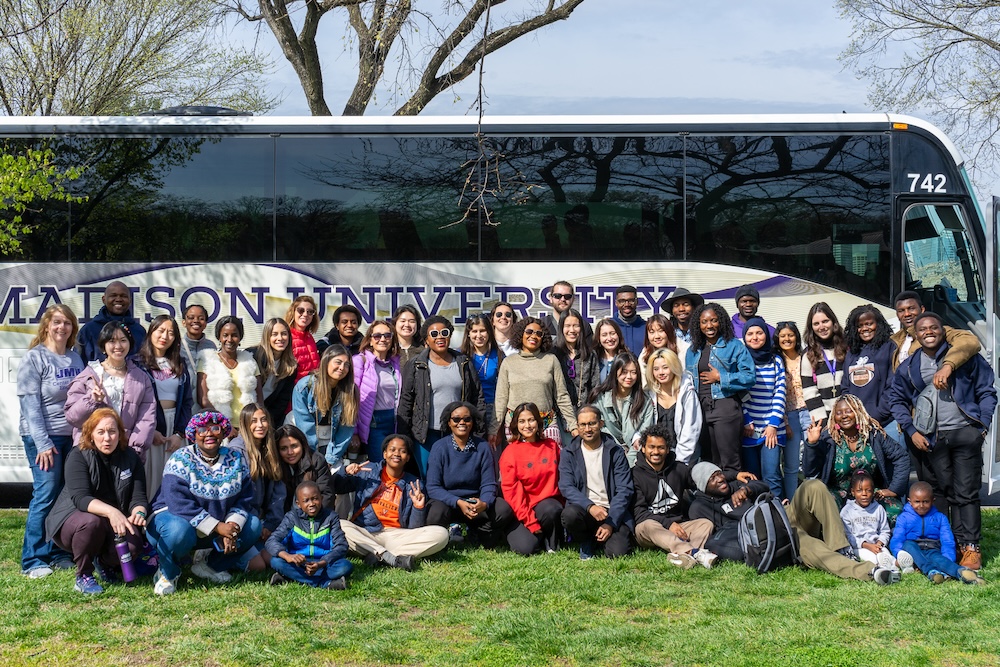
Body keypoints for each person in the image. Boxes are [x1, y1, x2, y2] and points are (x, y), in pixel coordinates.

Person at [887, 311, 996, 571]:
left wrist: (982, 425)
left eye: (933, 327)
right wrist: (911, 430)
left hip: (964, 433)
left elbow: (986, 391)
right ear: (916, 334)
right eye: (923, 329)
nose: (928, 332)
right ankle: (941, 544)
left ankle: (970, 546)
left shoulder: (966, 359)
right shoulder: (910, 365)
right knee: (939, 493)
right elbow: (896, 399)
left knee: (966, 493)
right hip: (929, 440)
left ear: (942, 330)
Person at [146, 411, 262, 595]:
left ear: (223, 432)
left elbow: (245, 497)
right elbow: (178, 503)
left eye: (215, 428)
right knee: (179, 531)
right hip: (171, 520)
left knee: (253, 525)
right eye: (201, 430)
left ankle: (210, 566)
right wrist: (218, 527)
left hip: (213, 525)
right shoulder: (180, 458)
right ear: (193, 434)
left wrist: (232, 526)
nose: (209, 434)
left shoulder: (235, 459)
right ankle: (167, 573)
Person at [44, 408, 147, 595]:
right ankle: (83, 575)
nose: (107, 438)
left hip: (112, 522)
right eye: (101, 432)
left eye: (112, 431)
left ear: (120, 433)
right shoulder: (78, 455)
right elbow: (81, 498)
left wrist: (139, 512)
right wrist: (112, 512)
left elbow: (138, 497)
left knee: (133, 546)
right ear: (91, 434)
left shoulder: (131, 457)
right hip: (73, 520)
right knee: (92, 522)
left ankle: (105, 563)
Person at [17, 305, 85, 578]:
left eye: (67, 323)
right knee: (45, 495)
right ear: (47, 325)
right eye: (57, 322)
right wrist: (43, 443)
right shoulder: (34, 358)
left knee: (65, 496)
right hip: (44, 438)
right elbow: (29, 406)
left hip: (72, 437)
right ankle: (33, 559)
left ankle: (58, 552)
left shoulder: (75, 358)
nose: (62, 328)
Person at [336, 435, 450, 570]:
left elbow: (414, 527)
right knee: (340, 525)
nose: (396, 454)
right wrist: (345, 472)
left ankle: (378, 554)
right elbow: (337, 487)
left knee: (441, 534)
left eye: (402, 451)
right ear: (385, 454)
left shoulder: (414, 484)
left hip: (397, 535)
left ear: (408, 457)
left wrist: (418, 508)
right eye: (392, 449)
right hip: (367, 532)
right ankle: (390, 556)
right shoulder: (367, 471)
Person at [398, 316, 484, 476]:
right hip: (426, 435)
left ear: (450, 336)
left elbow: (477, 397)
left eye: (444, 332)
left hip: (458, 432)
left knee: (455, 476)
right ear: (426, 340)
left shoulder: (464, 363)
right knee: (429, 476)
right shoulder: (416, 365)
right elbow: (406, 402)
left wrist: (478, 431)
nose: (440, 337)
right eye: (434, 334)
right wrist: (404, 437)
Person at [806, 394, 909, 522]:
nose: (844, 415)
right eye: (839, 413)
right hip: (838, 493)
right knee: (826, 510)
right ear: (834, 417)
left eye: (849, 411)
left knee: (896, 511)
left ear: (858, 412)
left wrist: (894, 489)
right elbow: (809, 471)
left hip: (869, 493)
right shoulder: (828, 438)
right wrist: (812, 445)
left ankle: (886, 540)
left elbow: (901, 456)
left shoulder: (873, 434)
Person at [64, 321, 157, 463]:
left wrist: (135, 450)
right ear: (103, 345)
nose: (118, 346)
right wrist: (91, 400)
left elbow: (146, 418)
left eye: (123, 340)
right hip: (90, 451)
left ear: (130, 344)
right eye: (112, 341)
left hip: (126, 451)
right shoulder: (89, 375)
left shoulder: (141, 378)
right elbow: (72, 417)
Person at [630, 425, 718, 569]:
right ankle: (693, 551)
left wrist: (733, 476)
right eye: (651, 447)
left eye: (661, 447)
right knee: (648, 525)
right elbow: (639, 515)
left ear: (668, 448)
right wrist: (668, 524)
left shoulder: (679, 469)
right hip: (648, 529)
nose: (656, 452)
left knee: (705, 523)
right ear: (643, 448)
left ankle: (686, 557)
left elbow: (702, 483)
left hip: (678, 525)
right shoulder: (634, 475)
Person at [685, 302, 755, 481]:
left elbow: (750, 376)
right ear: (698, 325)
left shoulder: (735, 346)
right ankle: (713, 503)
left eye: (714, 320)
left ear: (721, 321)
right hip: (700, 408)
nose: (709, 326)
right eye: (704, 322)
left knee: (730, 461)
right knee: (709, 461)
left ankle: (736, 500)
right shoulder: (692, 351)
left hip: (725, 406)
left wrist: (721, 377)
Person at [426, 401, 510, 546]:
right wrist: (457, 502)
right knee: (434, 513)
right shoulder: (439, 447)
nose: (462, 422)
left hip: (474, 503)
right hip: (449, 503)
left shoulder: (482, 447)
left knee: (504, 509)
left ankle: (478, 532)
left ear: (473, 422)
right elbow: (433, 487)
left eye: (467, 419)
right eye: (456, 419)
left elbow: (489, 483)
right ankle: (445, 537)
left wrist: (483, 503)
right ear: (449, 422)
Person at [558, 406, 634, 559]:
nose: (587, 429)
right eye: (583, 425)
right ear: (577, 427)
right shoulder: (569, 452)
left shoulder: (615, 451)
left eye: (592, 423)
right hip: (586, 511)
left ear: (601, 423)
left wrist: (610, 524)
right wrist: (590, 506)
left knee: (617, 553)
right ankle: (586, 540)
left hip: (612, 513)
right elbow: (566, 487)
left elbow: (625, 489)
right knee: (569, 515)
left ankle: (602, 537)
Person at [494, 316, 577, 444]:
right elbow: (501, 399)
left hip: (547, 424)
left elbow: (562, 396)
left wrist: (573, 426)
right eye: (529, 332)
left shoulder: (551, 360)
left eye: (539, 333)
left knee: (551, 463)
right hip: (516, 427)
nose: (534, 336)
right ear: (520, 334)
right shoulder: (508, 362)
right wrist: (493, 430)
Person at [135, 315, 193, 497]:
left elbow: (186, 402)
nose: (165, 336)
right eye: (161, 330)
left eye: (170, 333)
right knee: (150, 478)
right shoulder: (137, 363)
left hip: (175, 427)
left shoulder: (180, 364)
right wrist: (150, 431)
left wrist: (179, 433)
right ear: (151, 332)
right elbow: (133, 402)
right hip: (150, 427)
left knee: (175, 480)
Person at [499, 403, 564, 555]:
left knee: (552, 509)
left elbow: (563, 479)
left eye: (531, 420)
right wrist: (531, 523)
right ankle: (533, 535)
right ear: (515, 424)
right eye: (522, 421)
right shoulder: (510, 453)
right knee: (527, 548)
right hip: (521, 511)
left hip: (547, 506)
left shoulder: (551, 446)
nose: (527, 425)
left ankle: (552, 541)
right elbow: (513, 495)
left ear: (538, 422)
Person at [228, 403, 286, 572]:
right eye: (254, 421)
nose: (260, 425)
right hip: (244, 521)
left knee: (272, 560)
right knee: (258, 566)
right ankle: (217, 558)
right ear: (245, 424)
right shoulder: (236, 451)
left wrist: (270, 524)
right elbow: (238, 497)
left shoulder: (270, 449)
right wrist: (257, 526)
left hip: (263, 523)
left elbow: (278, 494)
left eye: (263, 420)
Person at [889, 481, 985, 585]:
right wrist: (898, 554)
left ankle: (962, 572)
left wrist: (947, 559)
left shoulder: (940, 518)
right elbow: (897, 539)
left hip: (932, 548)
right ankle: (932, 571)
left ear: (932, 501)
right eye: (917, 501)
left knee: (938, 559)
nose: (921, 505)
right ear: (910, 501)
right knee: (908, 544)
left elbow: (947, 540)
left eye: (926, 502)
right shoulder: (903, 518)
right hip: (913, 550)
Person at [266, 481, 353, 589]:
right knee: (276, 561)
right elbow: (272, 540)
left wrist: (321, 563)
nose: (311, 503)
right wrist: (288, 556)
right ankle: (324, 583)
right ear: (298, 504)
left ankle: (292, 578)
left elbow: (341, 545)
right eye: (306, 500)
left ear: (321, 498)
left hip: (324, 564)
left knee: (345, 566)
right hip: (298, 564)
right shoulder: (292, 517)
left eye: (315, 498)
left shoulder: (331, 517)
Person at [292, 344, 359, 471]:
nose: (342, 368)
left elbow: (346, 430)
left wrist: (330, 459)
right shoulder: (304, 387)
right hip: (305, 439)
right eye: (338, 362)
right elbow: (305, 426)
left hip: (331, 440)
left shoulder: (351, 391)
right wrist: (313, 457)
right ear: (326, 361)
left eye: (346, 365)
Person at [740, 317, 787, 498]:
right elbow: (739, 393)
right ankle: (756, 517)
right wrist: (746, 420)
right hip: (749, 430)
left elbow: (780, 391)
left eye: (759, 333)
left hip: (771, 430)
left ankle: (776, 517)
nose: (755, 337)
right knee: (752, 477)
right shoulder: (742, 360)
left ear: (766, 335)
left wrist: (773, 425)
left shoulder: (775, 361)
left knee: (772, 475)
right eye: (750, 334)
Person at [800, 302, 847, 478]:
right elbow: (810, 392)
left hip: (848, 417)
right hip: (826, 421)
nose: (822, 327)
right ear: (811, 327)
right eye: (816, 323)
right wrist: (827, 423)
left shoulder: (846, 349)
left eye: (825, 321)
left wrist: (846, 417)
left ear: (833, 322)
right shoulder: (809, 355)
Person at [688, 461, 770, 562]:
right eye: (712, 478)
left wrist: (747, 489)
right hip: (739, 537)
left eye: (719, 474)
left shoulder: (735, 486)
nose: (720, 479)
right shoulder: (699, 507)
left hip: (762, 522)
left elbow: (764, 486)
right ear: (703, 486)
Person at [587, 352, 654, 466]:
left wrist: (629, 461)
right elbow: (599, 429)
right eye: (624, 372)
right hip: (606, 452)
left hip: (636, 458)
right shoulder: (600, 397)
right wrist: (618, 451)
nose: (629, 377)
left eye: (633, 372)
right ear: (615, 372)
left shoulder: (645, 401)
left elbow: (644, 432)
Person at [197, 315, 263, 428]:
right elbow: (203, 399)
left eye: (234, 335)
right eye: (225, 335)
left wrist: (254, 423)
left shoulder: (249, 361)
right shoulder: (208, 361)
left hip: (247, 427)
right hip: (218, 428)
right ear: (219, 337)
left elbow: (259, 399)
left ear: (240, 337)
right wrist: (224, 424)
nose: (230, 339)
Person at [889, 290, 980, 370]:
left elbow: (969, 341)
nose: (907, 314)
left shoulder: (936, 333)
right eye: (901, 311)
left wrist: (948, 365)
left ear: (922, 309)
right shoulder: (895, 339)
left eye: (911, 309)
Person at [353, 319, 402, 463]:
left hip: (394, 423)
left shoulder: (395, 364)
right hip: (373, 423)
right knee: (380, 465)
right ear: (370, 340)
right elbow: (351, 399)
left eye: (387, 336)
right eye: (377, 336)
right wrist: (354, 431)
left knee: (394, 467)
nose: (383, 339)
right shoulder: (359, 361)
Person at [841, 304, 896, 430]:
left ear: (878, 324)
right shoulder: (852, 352)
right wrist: (854, 415)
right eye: (859, 326)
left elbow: (892, 386)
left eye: (869, 324)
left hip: (886, 422)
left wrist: (877, 415)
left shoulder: (889, 347)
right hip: (858, 423)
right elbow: (845, 388)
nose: (864, 329)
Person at [645, 348, 701, 465]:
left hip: (684, 458)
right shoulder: (648, 394)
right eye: (656, 369)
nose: (661, 372)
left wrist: (680, 462)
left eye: (665, 367)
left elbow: (691, 429)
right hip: (656, 457)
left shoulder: (687, 392)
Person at [773, 321, 806, 500]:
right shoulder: (775, 360)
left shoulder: (806, 357)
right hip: (789, 415)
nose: (787, 339)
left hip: (808, 412)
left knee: (813, 459)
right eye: (783, 336)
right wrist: (784, 422)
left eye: (790, 335)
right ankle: (793, 504)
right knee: (791, 465)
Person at [76, 281, 145, 363]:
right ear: (104, 299)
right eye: (113, 295)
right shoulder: (88, 330)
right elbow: (79, 364)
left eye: (123, 296)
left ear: (130, 300)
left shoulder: (139, 331)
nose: (118, 299)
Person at [460, 314, 504, 442]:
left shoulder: (499, 356)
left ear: (489, 332)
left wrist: (497, 426)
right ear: (468, 333)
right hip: (468, 408)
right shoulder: (460, 356)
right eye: (474, 331)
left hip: (492, 409)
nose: (478, 335)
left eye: (482, 331)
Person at [839, 470, 895, 570]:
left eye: (868, 490)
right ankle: (881, 570)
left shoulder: (878, 509)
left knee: (886, 555)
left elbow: (885, 531)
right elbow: (848, 536)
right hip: (859, 547)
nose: (864, 494)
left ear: (873, 492)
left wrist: (879, 543)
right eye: (859, 490)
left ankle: (896, 565)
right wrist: (866, 545)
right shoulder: (847, 511)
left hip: (877, 545)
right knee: (872, 559)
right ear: (853, 492)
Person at [248, 317, 298, 428]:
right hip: (247, 413)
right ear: (267, 337)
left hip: (269, 417)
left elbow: (282, 401)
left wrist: (267, 421)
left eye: (284, 334)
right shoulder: (252, 356)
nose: (280, 338)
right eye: (274, 334)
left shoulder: (291, 366)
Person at [275, 424, 336, 511]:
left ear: (302, 444)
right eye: (283, 448)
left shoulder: (317, 461)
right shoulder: (275, 465)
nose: (290, 452)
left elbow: (326, 495)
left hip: (315, 517)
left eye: (294, 446)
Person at [553, 309, 599, 413]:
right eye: (567, 326)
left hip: (584, 413)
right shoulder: (553, 353)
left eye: (576, 325)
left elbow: (595, 386)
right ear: (561, 328)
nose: (572, 330)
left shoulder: (590, 354)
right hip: (559, 414)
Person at [179, 304, 216, 394]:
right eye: (191, 317)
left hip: (207, 399)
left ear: (206, 324)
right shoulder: (177, 346)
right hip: (184, 399)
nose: (196, 321)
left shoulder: (211, 346)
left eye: (201, 318)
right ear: (184, 322)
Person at [284, 295, 320, 384]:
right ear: (293, 312)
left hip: (312, 389)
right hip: (294, 392)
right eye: (301, 310)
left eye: (310, 312)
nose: (305, 314)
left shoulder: (309, 337)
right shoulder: (286, 337)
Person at [638, 314, 679, 385]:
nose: (657, 336)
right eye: (652, 332)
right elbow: (644, 384)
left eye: (661, 331)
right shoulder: (644, 355)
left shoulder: (681, 349)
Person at [611, 285, 645, 357]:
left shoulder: (646, 327)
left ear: (636, 302)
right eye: (622, 301)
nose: (627, 304)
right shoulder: (609, 326)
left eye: (631, 300)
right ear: (616, 303)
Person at [591, 317, 628, 383]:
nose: (609, 338)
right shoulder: (593, 359)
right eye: (604, 335)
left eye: (612, 333)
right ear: (598, 338)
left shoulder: (627, 359)